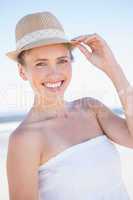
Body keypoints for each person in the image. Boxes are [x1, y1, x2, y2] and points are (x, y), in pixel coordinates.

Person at [6, 11, 133, 200]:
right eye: (41, 64)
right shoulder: (24, 140)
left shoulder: (91, 109)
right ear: (22, 72)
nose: (54, 73)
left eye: (62, 60)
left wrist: (112, 67)